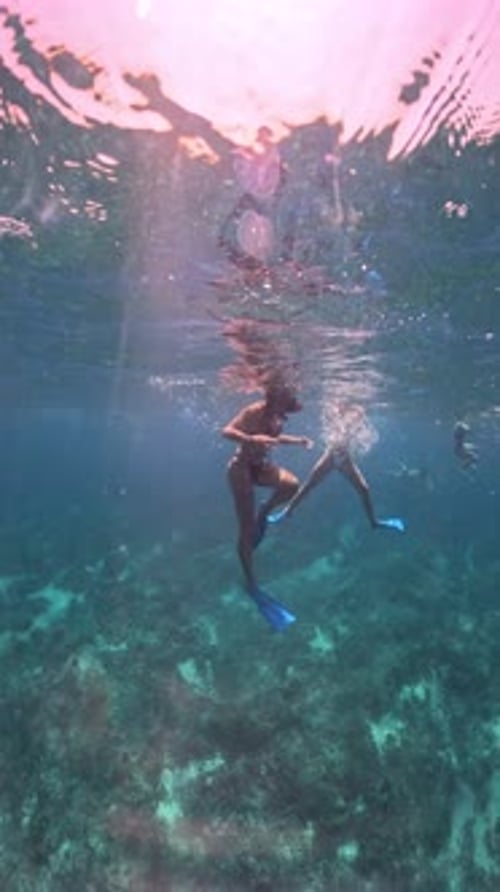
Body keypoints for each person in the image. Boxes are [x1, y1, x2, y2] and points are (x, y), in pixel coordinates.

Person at [222, 381, 313, 629]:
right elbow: (226, 431)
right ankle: (251, 583)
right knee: (247, 530)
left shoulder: (278, 415)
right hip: (241, 469)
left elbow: (275, 437)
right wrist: (249, 438)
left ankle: (265, 510)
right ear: (276, 396)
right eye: (287, 395)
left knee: (292, 485)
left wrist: (296, 441)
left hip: (261, 469)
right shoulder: (255, 410)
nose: (291, 400)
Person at [268, 406, 405, 533]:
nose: (358, 418)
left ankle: (375, 522)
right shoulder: (337, 417)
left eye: (359, 416)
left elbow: (360, 439)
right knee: (309, 485)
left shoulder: (356, 424)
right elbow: (334, 428)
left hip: (345, 460)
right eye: (357, 415)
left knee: (364, 489)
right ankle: (287, 512)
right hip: (330, 457)